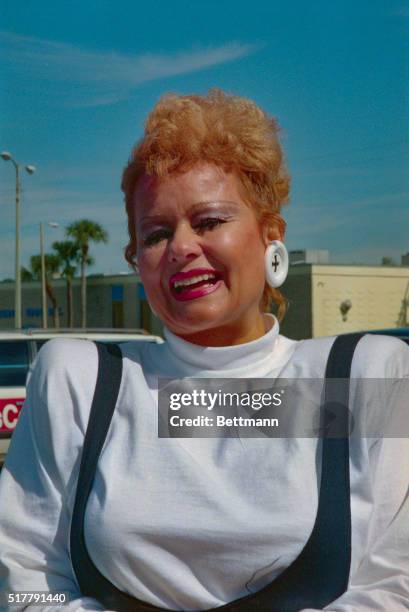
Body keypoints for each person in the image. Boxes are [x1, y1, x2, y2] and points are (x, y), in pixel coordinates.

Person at [0, 89, 408, 612]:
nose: (182, 248)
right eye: (156, 234)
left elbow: (395, 586)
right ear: (137, 260)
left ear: (271, 236)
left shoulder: (366, 378)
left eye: (210, 221)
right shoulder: (77, 380)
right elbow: (26, 579)